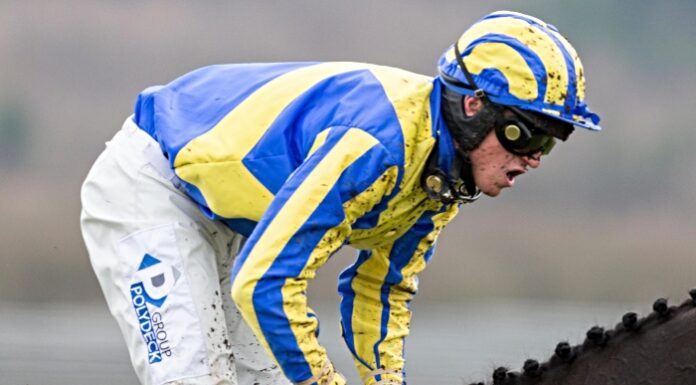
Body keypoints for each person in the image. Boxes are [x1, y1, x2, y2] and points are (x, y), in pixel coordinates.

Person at [80, 10, 601, 385]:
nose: (532, 158)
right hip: (153, 184)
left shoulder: (442, 177)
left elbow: (381, 292)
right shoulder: (377, 145)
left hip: (230, 219)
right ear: (472, 106)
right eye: (525, 136)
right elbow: (266, 284)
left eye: (550, 144)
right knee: (195, 378)